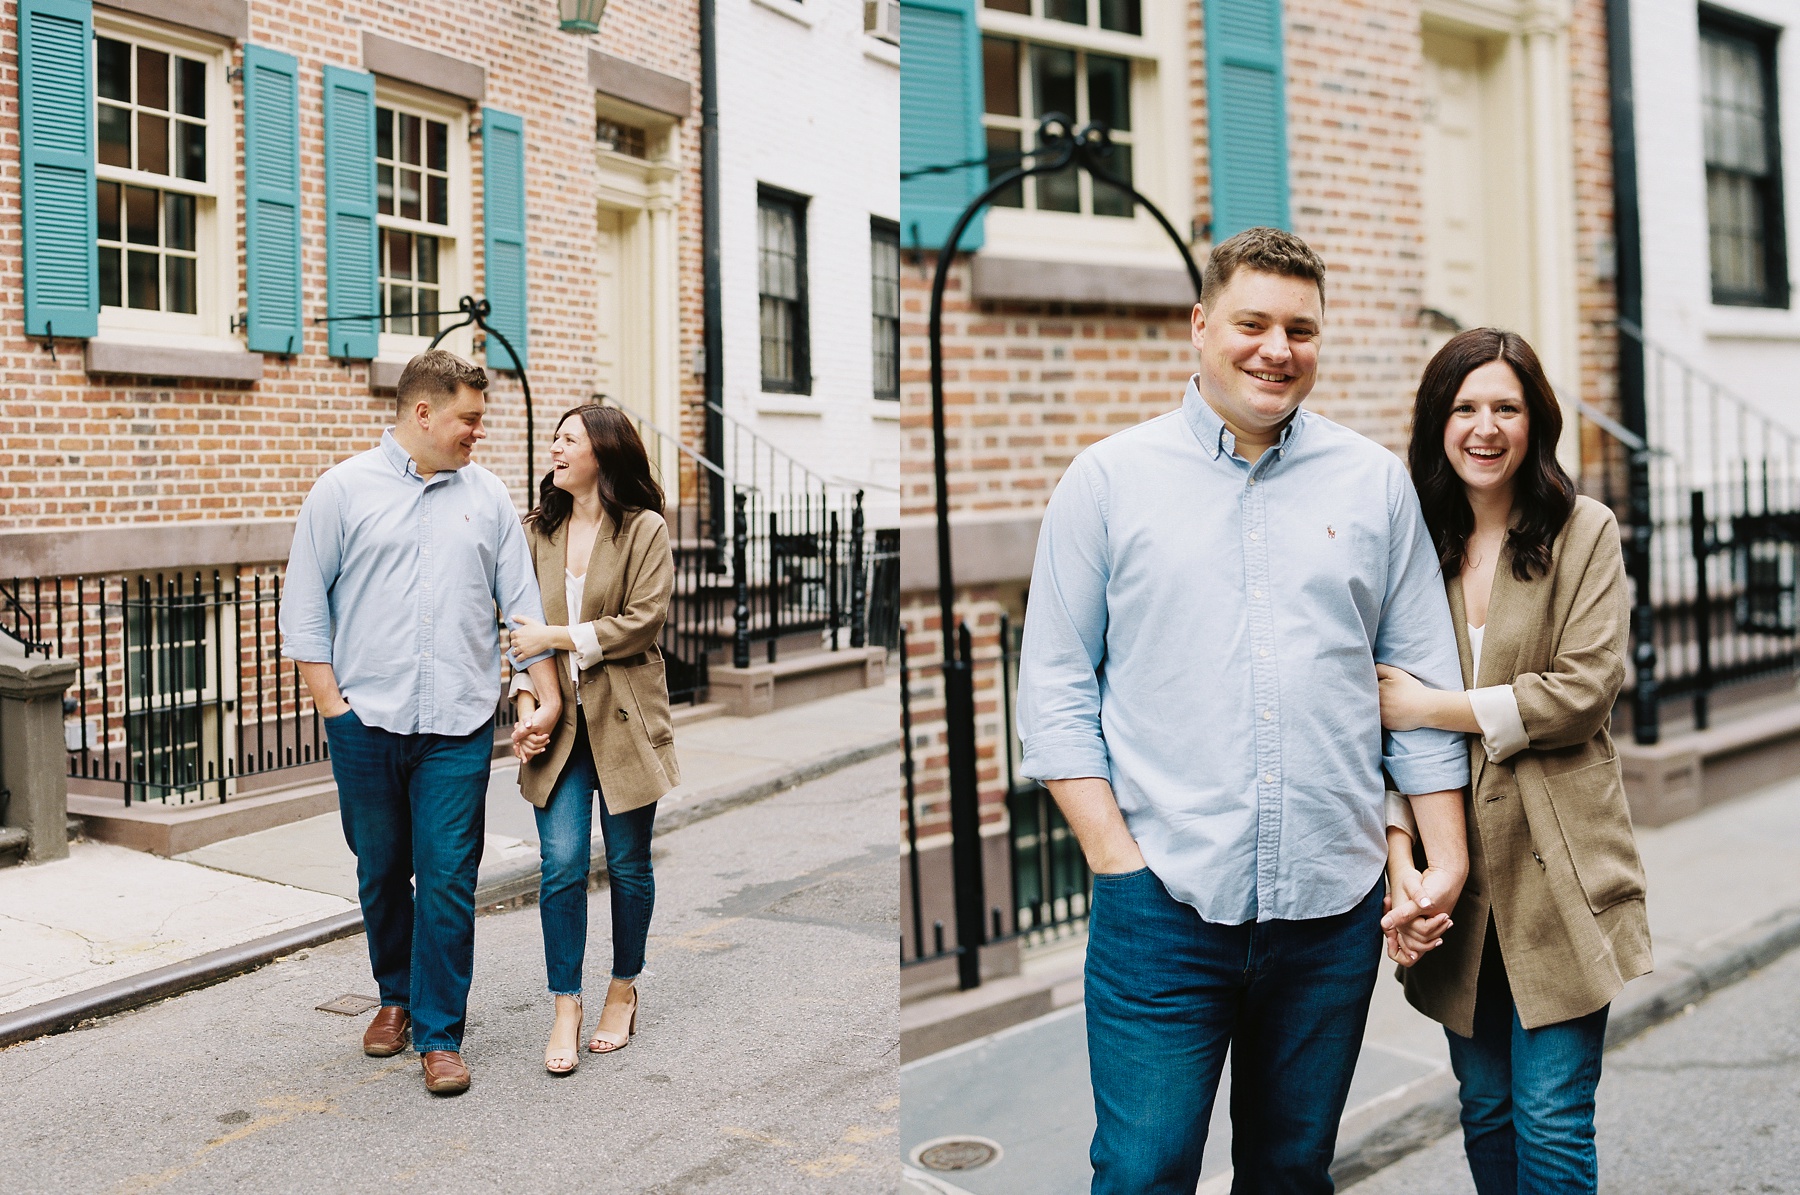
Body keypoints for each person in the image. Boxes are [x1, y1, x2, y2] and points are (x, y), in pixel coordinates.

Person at [1015, 226, 1473, 1194]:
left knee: (1291, 1169)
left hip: (1329, 908)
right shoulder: (1109, 481)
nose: (1278, 349)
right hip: (1162, 906)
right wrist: (1116, 862)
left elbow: (1419, 676)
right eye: (1253, 322)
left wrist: (1446, 854)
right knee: (1144, 1170)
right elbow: (1054, 686)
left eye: (1301, 329)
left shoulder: (1373, 482)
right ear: (1199, 326)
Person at [1376, 327, 1652, 1194]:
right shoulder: (1413, 543)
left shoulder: (1582, 532)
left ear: (1536, 422)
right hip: (1458, 888)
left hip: (1559, 875)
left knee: (1551, 1116)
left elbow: (1582, 692)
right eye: (1464, 407)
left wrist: (1432, 706)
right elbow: (1375, 724)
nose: (1485, 427)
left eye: (1507, 406)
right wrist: (1400, 861)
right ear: (1437, 422)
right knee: (1488, 1109)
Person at [280, 350, 563, 1096]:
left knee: (446, 879)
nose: (478, 431)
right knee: (380, 872)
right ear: (423, 412)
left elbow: (523, 608)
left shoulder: (491, 497)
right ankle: (394, 996)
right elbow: (304, 615)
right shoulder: (342, 491)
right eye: (470, 417)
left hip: (459, 725)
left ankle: (440, 1032)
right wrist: (335, 714)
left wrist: (546, 693)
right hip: (365, 722)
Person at [504, 402, 678, 1076]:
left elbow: (640, 622)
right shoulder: (535, 531)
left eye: (569, 438)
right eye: (554, 437)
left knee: (629, 864)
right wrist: (527, 703)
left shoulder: (644, 529)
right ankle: (566, 1004)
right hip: (560, 723)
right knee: (562, 865)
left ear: (603, 452)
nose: (555, 446)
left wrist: (556, 636)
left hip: (626, 719)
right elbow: (516, 634)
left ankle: (623, 988)